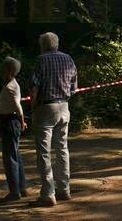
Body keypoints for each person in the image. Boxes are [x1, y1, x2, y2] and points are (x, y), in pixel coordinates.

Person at [30, 32, 77, 207]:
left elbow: (35, 87)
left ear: (43, 45)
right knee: (62, 148)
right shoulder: (68, 59)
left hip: (45, 107)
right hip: (64, 106)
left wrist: (33, 108)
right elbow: (74, 87)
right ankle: (64, 189)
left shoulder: (40, 60)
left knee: (43, 151)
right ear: (56, 44)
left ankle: (48, 193)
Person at [0, 56, 28, 202]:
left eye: (3, 69)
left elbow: (18, 106)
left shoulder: (10, 87)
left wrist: (22, 122)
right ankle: (22, 188)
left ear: (8, 70)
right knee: (16, 155)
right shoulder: (12, 83)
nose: (1, 72)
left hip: (9, 121)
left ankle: (14, 192)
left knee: (9, 158)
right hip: (10, 121)